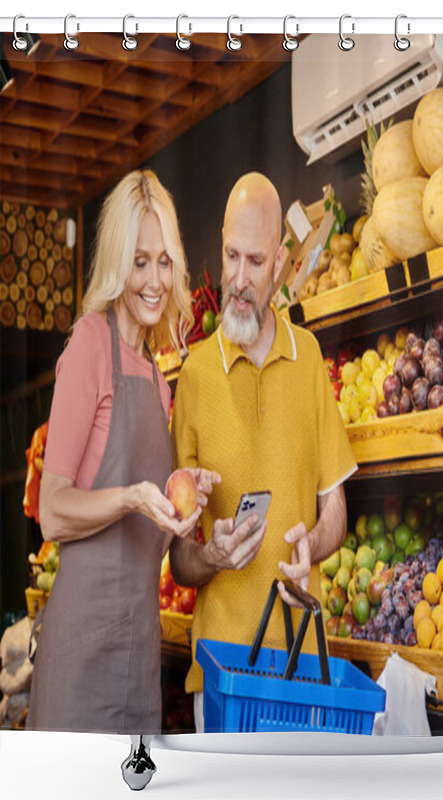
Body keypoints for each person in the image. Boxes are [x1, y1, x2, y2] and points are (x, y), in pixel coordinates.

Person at [27, 170, 218, 735]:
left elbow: (157, 547)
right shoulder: (90, 343)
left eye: (164, 261)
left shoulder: (160, 383)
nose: (155, 279)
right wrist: (135, 497)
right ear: (117, 264)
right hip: (82, 651)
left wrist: (187, 512)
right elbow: (53, 512)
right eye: (140, 261)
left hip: (139, 658)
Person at [169, 172, 357, 732]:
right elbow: (178, 559)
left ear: (279, 262)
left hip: (302, 670)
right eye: (231, 257)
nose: (240, 279)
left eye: (256, 262)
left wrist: (312, 544)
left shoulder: (310, 359)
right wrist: (212, 556)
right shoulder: (196, 377)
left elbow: (336, 512)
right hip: (222, 675)